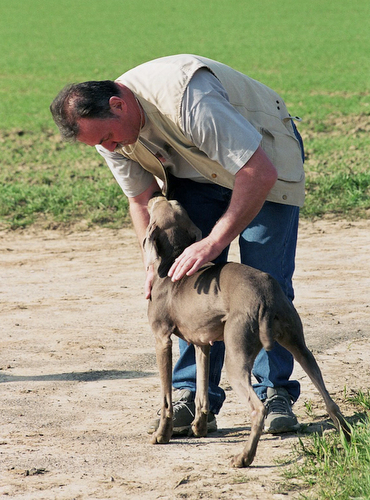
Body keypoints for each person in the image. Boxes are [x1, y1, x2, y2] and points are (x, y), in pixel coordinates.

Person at [50, 54, 305, 435]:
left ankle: (275, 394)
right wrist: (151, 265)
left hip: (264, 163)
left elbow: (258, 171)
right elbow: (140, 199)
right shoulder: (109, 135)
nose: (111, 147)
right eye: (101, 144)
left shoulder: (187, 97)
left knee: (265, 283)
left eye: (107, 137)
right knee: (187, 283)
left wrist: (214, 242)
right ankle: (193, 396)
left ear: (117, 105)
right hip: (197, 172)